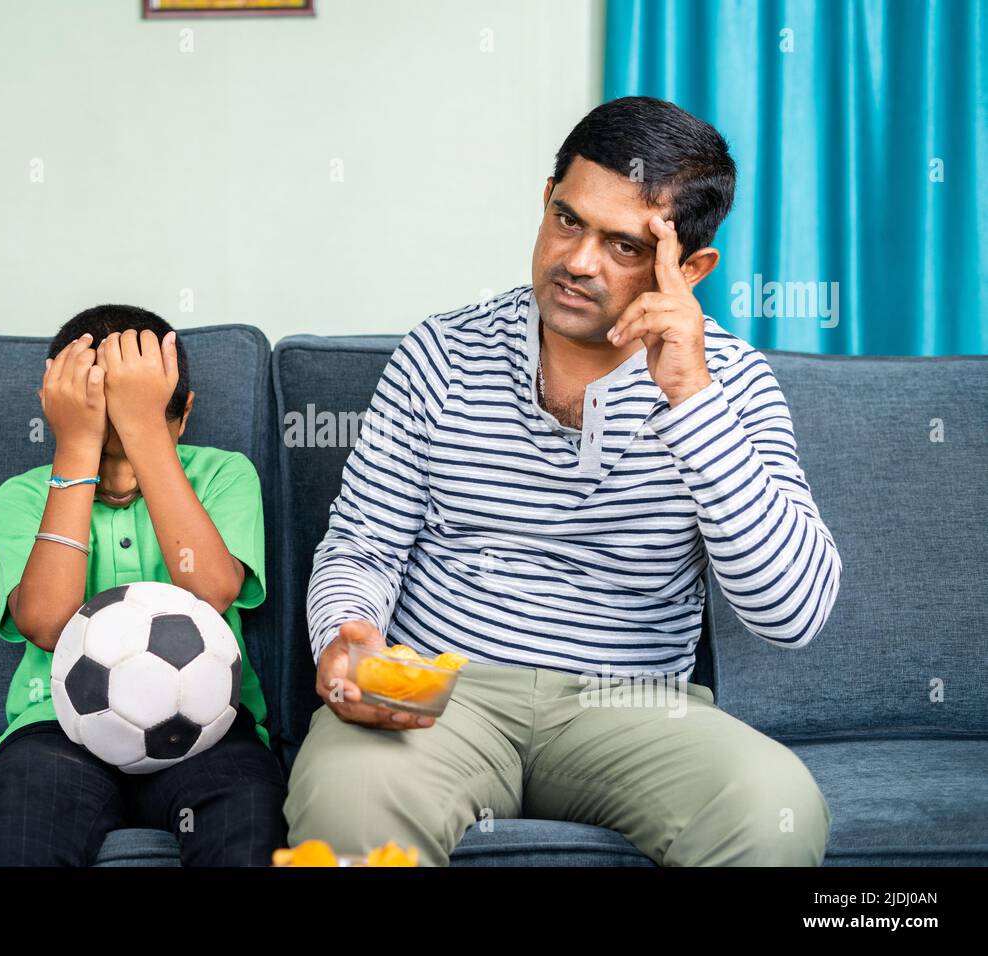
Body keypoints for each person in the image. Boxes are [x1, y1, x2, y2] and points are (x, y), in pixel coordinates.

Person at [285, 96, 843, 866]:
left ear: (690, 269)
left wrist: (691, 401)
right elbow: (361, 546)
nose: (578, 261)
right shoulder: (439, 354)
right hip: (442, 689)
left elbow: (793, 614)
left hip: (636, 705)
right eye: (569, 220)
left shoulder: (734, 386)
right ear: (545, 201)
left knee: (773, 807)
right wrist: (347, 638)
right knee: (344, 809)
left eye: (623, 245)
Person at [0, 305, 286, 866]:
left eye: (134, 448)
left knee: (252, 828)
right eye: (106, 451)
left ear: (182, 418)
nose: (120, 475)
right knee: (8, 842)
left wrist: (141, 428)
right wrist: (77, 451)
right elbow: (47, 624)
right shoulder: (26, 495)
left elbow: (211, 592)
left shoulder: (225, 474)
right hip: (59, 730)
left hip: (206, 727)